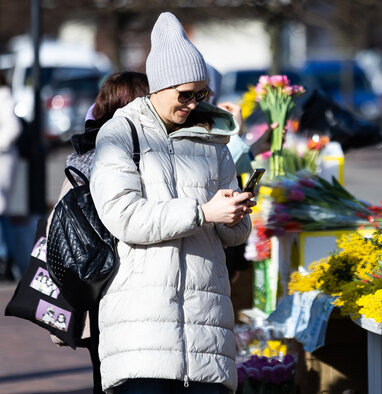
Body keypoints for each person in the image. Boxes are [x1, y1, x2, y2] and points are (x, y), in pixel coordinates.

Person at [90, 12, 253, 393]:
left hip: (207, 329)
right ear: (158, 88)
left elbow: (237, 234)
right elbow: (124, 216)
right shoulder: (121, 132)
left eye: (202, 94)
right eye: (185, 94)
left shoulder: (214, 138)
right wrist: (202, 212)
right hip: (142, 328)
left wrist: (234, 213)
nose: (194, 104)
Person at [46, 71, 150, 394]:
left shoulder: (81, 156)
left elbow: (55, 228)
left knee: (103, 379)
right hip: (127, 291)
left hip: (93, 289)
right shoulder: (135, 157)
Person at [0, 72, 22, 281]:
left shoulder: (3, 97)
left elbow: (13, 128)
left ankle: (5, 261)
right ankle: (6, 261)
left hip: (2, 162)